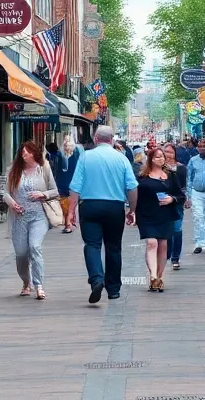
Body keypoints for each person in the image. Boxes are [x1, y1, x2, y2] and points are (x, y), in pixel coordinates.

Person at [68, 125, 139, 303]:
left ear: (96, 139)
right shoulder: (121, 158)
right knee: (113, 246)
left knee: (92, 245)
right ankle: (113, 288)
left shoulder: (86, 157)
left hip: (90, 206)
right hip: (114, 207)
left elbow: (75, 187)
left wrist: (70, 212)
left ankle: (97, 279)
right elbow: (132, 187)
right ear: (112, 140)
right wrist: (132, 209)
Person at [2, 141, 60, 300]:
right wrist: (12, 203)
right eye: (22, 152)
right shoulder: (14, 170)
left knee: (35, 246)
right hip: (19, 217)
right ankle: (26, 282)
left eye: (27, 152)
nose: (24, 154)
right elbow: (5, 193)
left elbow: (55, 190)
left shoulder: (44, 168)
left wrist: (43, 195)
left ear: (34, 153)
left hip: (38, 215)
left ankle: (39, 285)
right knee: (21, 253)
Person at [135, 147, 183, 292]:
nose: (161, 159)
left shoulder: (170, 176)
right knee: (151, 243)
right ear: (150, 159)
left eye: (162, 156)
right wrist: (132, 213)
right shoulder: (143, 177)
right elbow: (135, 196)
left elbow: (180, 195)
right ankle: (153, 276)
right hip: (146, 214)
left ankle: (159, 278)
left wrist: (172, 199)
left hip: (165, 214)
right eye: (157, 157)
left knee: (163, 245)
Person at [162, 143, 188, 270]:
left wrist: (186, 198)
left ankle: (175, 257)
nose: (168, 155)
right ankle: (166, 255)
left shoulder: (181, 168)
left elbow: (183, 187)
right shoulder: (158, 168)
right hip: (162, 203)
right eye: (165, 152)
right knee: (167, 231)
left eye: (171, 152)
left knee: (177, 229)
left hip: (177, 202)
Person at [48, 137, 80, 234]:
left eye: (69, 145)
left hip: (70, 184)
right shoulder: (60, 156)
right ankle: (68, 223)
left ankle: (68, 223)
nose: (67, 147)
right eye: (65, 145)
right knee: (65, 205)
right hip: (63, 184)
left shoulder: (75, 156)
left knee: (68, 205)